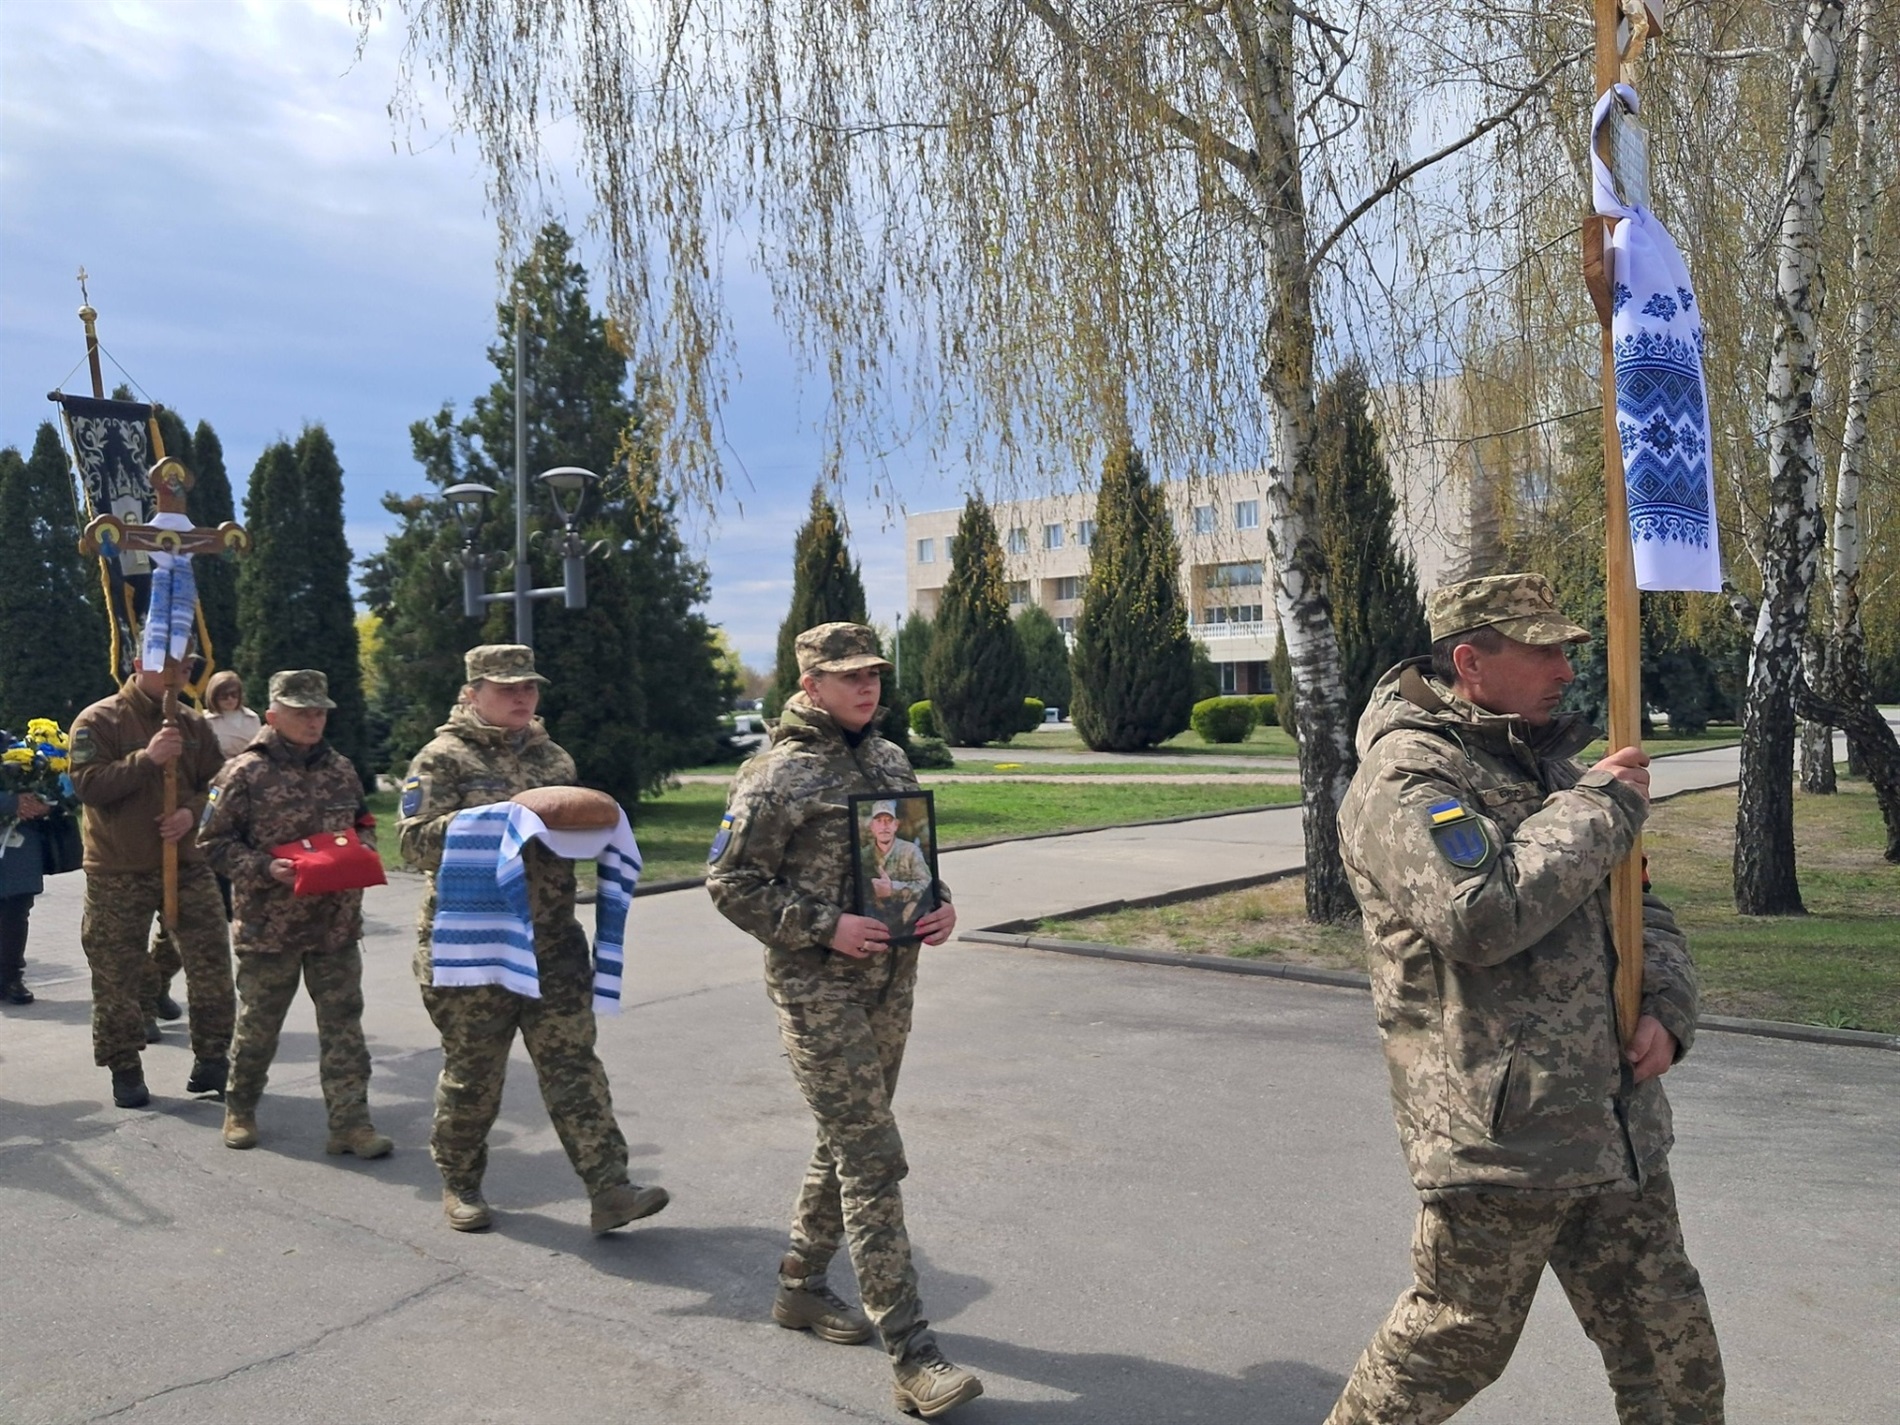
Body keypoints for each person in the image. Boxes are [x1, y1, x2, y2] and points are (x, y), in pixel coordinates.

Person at [1325, 573, 1724, 1424]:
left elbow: (1642, 906)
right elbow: (1481, 914)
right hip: (1504, 1139)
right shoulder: (1407, 777)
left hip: (1616, 1127)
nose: (1564, 668)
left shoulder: (1556, 767)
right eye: (1542, 649)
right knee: (1445, 1350)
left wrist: (1669, 1012)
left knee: (1672, 1355)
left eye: (1566, 649)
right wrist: (1598, 809)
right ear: (1471, 661)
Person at [707, 622, 981, 1421]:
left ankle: (799, 1287)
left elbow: (911, 856)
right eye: (848, 676)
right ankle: (914, 1355)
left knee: (845, 1138)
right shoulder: (776, 774)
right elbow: (729, 881)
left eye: (874, 674)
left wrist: (939, 902)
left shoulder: (889, 757)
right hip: (816, 988)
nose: (868, 687)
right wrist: (824, 925)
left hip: (891, 981)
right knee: (873, 1157)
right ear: (809, 685)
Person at [398, 643, 665, 1235]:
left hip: (552, 944)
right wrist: (504, 818)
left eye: (529, 687)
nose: (522, 697)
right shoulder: (442, 759)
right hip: (476, 946)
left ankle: (610, 1189)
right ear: (473, 693)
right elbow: (413, 843)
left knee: (575, 1067)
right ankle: (460, 1183)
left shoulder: (554, 760)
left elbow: (569, 837)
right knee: (474, 1075)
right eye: (506, 687)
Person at [198, 669, 391, 1158]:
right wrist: (266, 868)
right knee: (260, 1025)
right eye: (302, 712)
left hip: (335, 923)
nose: (313, 720)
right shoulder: (244, 772)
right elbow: (212, 843)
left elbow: (363, 821)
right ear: (273, 715)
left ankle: (350, 1123)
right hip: (270, 925)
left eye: (320, 711)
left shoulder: (340, 769)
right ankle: (240, 1108)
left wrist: (362, 850)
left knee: (344, 1025)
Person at [69, 658, 236, 1109]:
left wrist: (193, 813)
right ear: (140, 663)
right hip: (118, 868)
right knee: (115, 974)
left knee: (212, 965)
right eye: (168, 664)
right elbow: (87, 785)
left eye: (186, 667)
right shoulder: (99, 719)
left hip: (186, 864)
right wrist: (149, 759)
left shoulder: (194, 725)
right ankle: (124, 1065)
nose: (178, 674)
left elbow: (221, 785)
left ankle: (213, 1059)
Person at [0, 746, 51, 1006]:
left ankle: (10, 977)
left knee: (16, 912)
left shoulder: (20, 748)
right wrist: (10, 803)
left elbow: (58, 782)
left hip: (19, 849)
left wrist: (45, 802)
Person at [862, 799, 933, 932]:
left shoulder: (910, 851)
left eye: (888, 820)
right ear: (872, 826)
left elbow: (927, 885)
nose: (884, 826)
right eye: (879, 821)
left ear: (896, 825)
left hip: (903, 918)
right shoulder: (863, 855)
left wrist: (893, 889)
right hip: (872, 918)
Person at [202, 670, 263, 758]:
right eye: (224, 695)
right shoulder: (205, 720)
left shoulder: (253, 718)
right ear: (213, 696)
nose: (230, 699)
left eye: (234, 694)